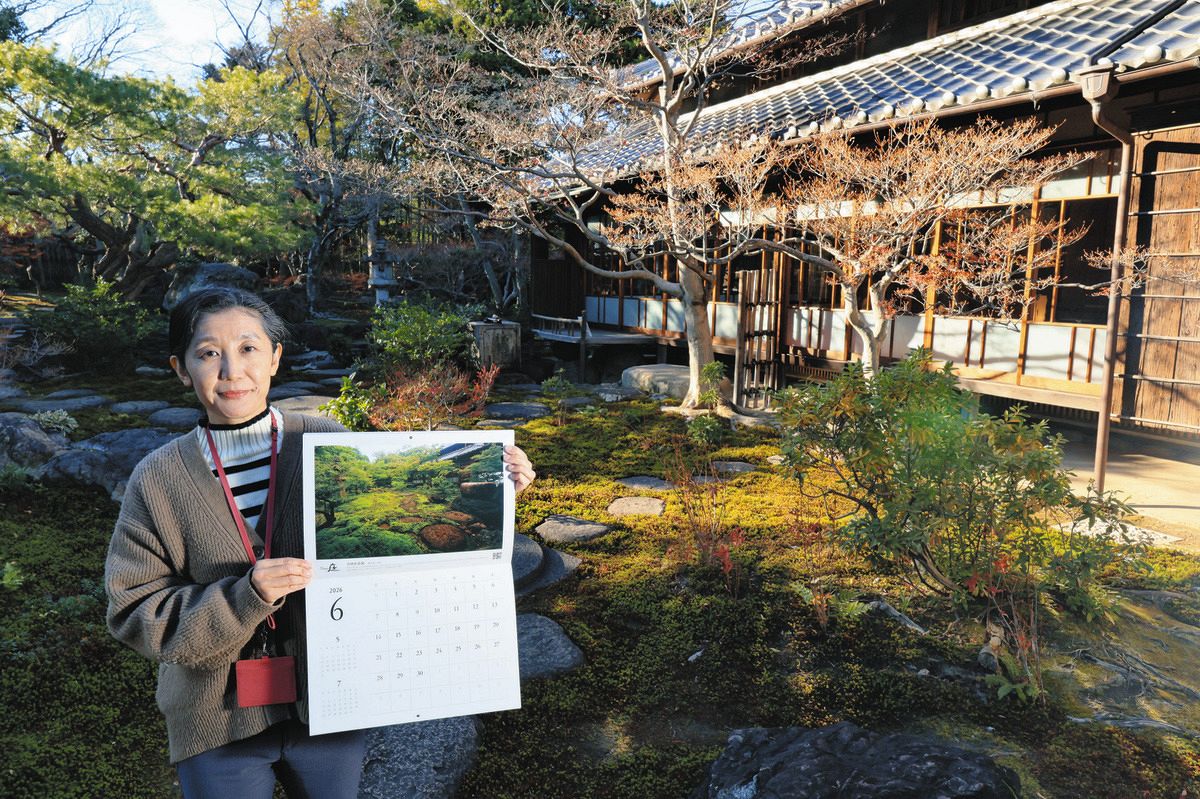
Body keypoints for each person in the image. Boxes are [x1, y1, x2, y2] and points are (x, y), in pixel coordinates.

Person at [104, 288, 536, 798]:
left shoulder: (322, 441)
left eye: (247, 348)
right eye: (208, 353)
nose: (231, 371)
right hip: (215, 718)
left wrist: (497, 489)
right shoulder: (158, 478)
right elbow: (135, 612)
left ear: (275, 357)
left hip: (332, 700)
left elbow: (403, 564)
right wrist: (245, 596)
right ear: (181, 369)